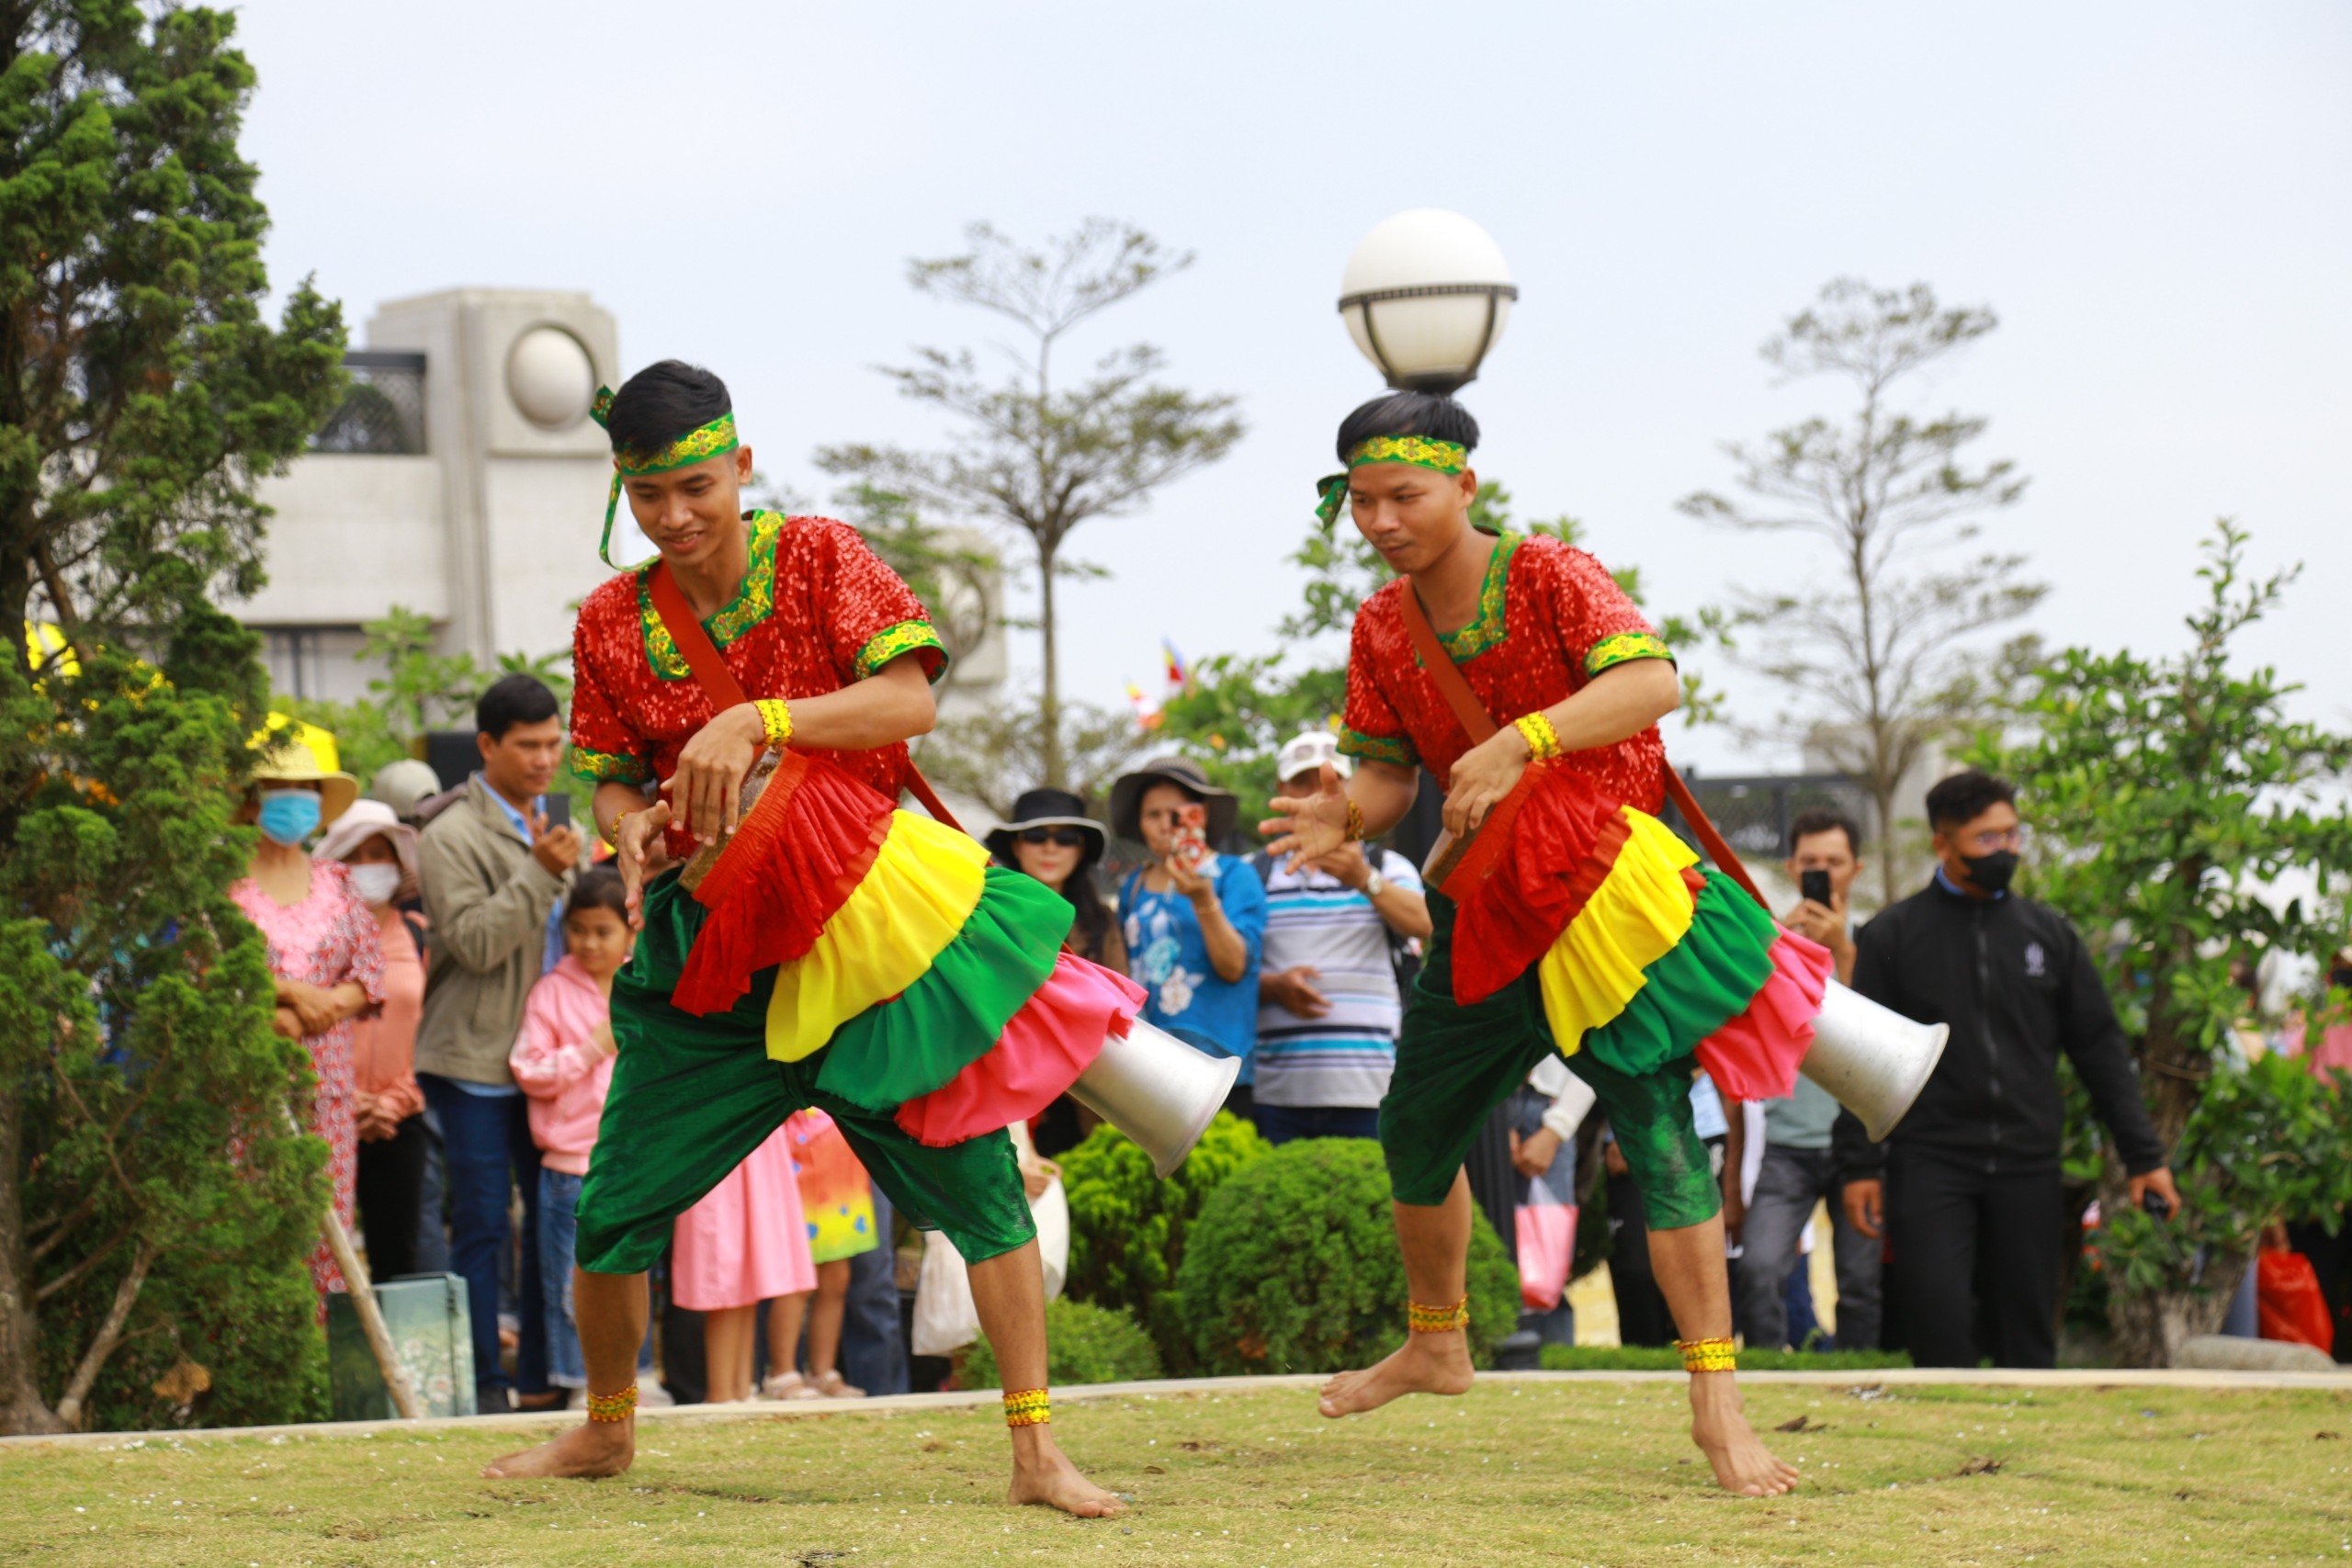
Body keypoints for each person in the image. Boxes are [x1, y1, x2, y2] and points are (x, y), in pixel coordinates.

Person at [483, 360, 1138, 1517]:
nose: (675, 516)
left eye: (695, 485)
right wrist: (635, 834)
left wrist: (763, 717)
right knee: (618, 1204)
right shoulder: (610, 622)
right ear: (622, 494)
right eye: (647, 496)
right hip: (710, 966)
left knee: (980, 1191)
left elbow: (908, 702)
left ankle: (1037, 1453)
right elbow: (612, 785)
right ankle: (604, 1431)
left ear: (740, 465)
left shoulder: (824, 558)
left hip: (871, 946)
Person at [1262, 390, 1830, 1495]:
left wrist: (1526, 739)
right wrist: (1349, 815)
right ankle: (1437, 1341)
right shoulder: (1382, 626)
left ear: (1464, 486)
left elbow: (1652, 682)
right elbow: (1385, 772)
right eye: (1363, 501)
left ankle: (1717, 1404)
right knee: (1415, 1126)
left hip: (1606, 908)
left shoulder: (1550, 574)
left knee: (1657, 1139)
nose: (1382, 520)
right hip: (1484, 916)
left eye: (1405, 495)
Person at [1836, 770, 2179, 1368]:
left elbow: (2100, 1051)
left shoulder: (2050, 936)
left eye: (2012, 835)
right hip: (1931, 1160)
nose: (2006, 850)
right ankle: (1942, 1453)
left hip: (2027, 1159)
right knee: (1937, 1320)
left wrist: (2144, 1157)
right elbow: (1858, 1062)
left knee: (2026, 1331)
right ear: (1944, 843)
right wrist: (1859, 1166)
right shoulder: (1891, 935)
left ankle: (2029, 1446)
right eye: (1987, 839)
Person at [414, 673, 580, 1413]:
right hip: (477, 1062)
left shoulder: (557, 823)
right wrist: (541, 873)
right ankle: (483, 1386)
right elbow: (477, 943)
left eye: (554, 742)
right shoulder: (447, 833)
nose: (546, 758)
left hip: (552, 1065)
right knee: (482, 1225)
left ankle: (543, 1378)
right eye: (528, 745)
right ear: (487, 746)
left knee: (552, 1220)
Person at [228, 747, 386, 1304]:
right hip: (243, 1093)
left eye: (307, 789)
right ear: (252, 800)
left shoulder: (337, 881)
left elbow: (369, 973)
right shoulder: (223, 885)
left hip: (329, 1094)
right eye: (278, 786)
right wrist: (289, 994)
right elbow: (208, 969)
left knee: (328, 1239)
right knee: (244, 1232)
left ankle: (319, 1379)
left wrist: (322, 1006)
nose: (295, 800)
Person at [1734, 809, 1882, 1352]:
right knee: (1760, 1270)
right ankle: (1772, 1377)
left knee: (1862, 1284)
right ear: (1791, 867)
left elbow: (1881, 1034)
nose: (1823, 872)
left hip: (1858, 1148)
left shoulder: (1875, 941)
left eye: (1834, 863)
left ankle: (1863, 1381)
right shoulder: (1767, 941)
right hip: (1786, 1147)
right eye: (1811, 862)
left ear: (1856, 869)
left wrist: (1842, 949)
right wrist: (1785, 944)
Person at [1250, 730, 1430, 1144]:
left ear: (1354, 789)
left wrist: (1362, 878)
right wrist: (1273, 986)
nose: (1317, 795)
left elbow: (1427, 925)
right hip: (1277, 1091)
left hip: (1372, 1088)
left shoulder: (1388, 865)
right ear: (1282, 790)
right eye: (1303, 782)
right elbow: (1229, 968)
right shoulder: (1254, 872)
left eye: (1331, 783)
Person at [510, 867, 635, 1401]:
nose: (588, 942)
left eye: (602, 931)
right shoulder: (550, 993)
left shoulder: (642, 988)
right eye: (578, 930)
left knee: (631, 1276)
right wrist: (589, 1049)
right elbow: (528, 1068)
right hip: (569, 1169)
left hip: (631, 1161)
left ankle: (633, 1379)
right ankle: (580, 1383)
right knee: (570, 1284)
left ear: (631, 931)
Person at [1111, 756, 1267, 1109]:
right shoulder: (1133, 885)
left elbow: (1233, 967)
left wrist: (1203, 898)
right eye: (1153, 815)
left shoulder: (1234, 876)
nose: (1166, 824)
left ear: (1203, 815)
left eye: (1178, 812)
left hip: (1220, 1067)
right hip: (1147, 1065)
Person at [319, 799, 430, 1283]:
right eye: (355, 854)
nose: (368, 866)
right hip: (322, 1115)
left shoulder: (420, 936)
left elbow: (434, 1033)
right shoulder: (311, 940)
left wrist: (395, 1100)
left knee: (397, 1263)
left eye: (379, 852)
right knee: (319, 1258)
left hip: (397, 1120)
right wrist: (342, 1102)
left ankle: (389, 1362)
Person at [986, 787, 1127, 1156]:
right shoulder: (985, 916)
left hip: (1091, 1093)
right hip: (1008, 1095)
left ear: (1080, 850)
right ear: (1016, 845)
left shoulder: (1102, 921)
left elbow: (1122, 1011)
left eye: (1065, 839)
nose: (1050, 848)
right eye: (1036, 836)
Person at [765, 1109, 879, 1399]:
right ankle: (781, 1373)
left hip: (839, 1154)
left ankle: (822, 1371)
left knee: (837, 1277)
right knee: (794, 1278)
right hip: (793, 1149)